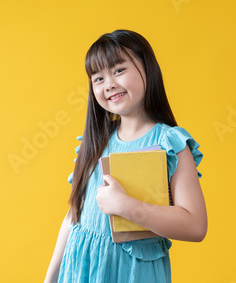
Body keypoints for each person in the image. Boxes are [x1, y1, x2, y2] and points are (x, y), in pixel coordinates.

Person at [44, 30, 207, 283]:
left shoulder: (168, 143)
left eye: (119, 70)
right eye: (98, 78)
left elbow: (195, 226)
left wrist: (127, 207)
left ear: (148, 69)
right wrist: (51, 276)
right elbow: (74, 214)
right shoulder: (95, 142)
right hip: (80, 269)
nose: (108, 84)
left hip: (132, 273)